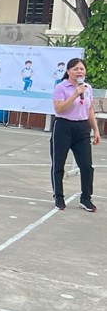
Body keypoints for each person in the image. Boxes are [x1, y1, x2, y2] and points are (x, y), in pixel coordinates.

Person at [51, 57, 99, 212]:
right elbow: (59, 109)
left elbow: (89, 109)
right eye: (75, 69)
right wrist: (74, 95)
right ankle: (59, 197)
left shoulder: (87, 88)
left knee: (86, 166)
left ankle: (86, 198)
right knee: (58, 164)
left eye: (82, 69)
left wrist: (96, 130)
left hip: (82, 128)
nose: (79, 71)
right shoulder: (61, 87)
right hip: (63, 127)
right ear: (68, 71)